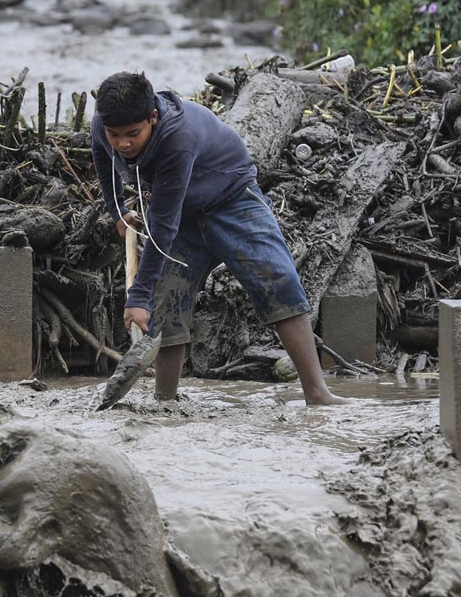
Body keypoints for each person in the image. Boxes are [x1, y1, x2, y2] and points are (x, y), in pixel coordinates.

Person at [91, 71, 346, 405]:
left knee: (277, 277)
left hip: (231, 196)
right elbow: (102, 157)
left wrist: (137, 297)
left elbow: (164, 227)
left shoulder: (177, 139)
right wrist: (117, 210)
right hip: (180, 208)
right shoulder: (102, 125)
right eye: (115, 135)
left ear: (152, 117)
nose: (123, 144)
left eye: (133, 134)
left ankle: (317, 392)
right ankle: (165, 400)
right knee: (167, 297)